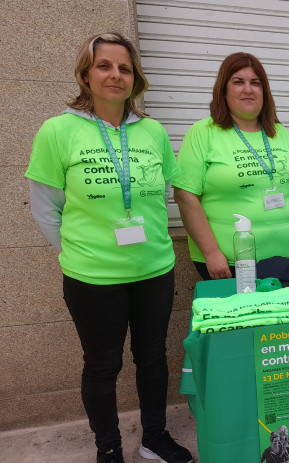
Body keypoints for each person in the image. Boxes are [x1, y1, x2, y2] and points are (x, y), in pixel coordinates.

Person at [25, 32, 192, 463]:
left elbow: (165, 194)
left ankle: (153, 437)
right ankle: (109, 448)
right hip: (93, 278)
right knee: (102, 367)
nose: (115, 75)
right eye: (104, 66)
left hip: (154, 269)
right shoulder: (58, 131)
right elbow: (46, 208)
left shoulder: (152, 131)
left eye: (124, 67)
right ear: (85, 74)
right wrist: (82, 252)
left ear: (135, 78)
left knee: (153, 360)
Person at [174, 52, 289, 280]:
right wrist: (211, 252)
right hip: (230, 264)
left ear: (264, 92)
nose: (248, 89)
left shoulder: (279, 133)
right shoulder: (203, 132)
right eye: (238, 82)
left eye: (255, 83)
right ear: (224, 90)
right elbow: (184, 195)